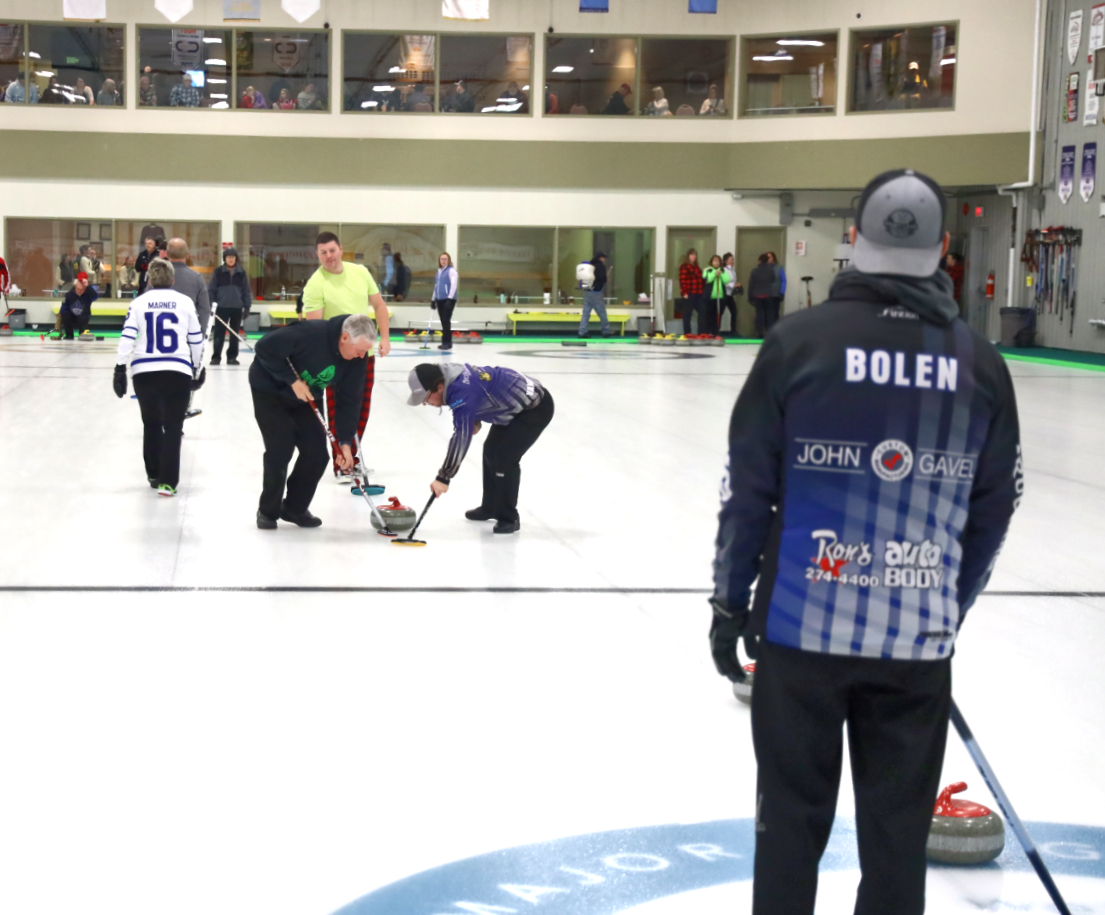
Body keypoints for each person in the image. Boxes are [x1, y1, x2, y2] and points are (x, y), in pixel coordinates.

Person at [708, 168, 1023, 915]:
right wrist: (948, 600)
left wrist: (728, 603)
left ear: (853, 240)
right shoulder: (979, 363)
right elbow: (994, 506)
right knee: (895, 840)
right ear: (945, 249)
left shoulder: (794, 342)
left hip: (798, 635)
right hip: (913, 646)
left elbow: (744, 488)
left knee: (788, 828)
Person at [249, 313, 375, 529]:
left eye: (365, 351)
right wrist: (292, 381)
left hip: (307, 398)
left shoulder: (357, 359)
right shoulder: (309, 333)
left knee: (317, 453)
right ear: (344, 337)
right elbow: (264, 348)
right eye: (359, 350)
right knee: (280, 448)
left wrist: (345, 443)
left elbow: (349, 400)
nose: (362, 355)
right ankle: (268, 510)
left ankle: (294, 508)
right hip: (269, 391)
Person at [406, 361, 554, 535]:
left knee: (504, 458)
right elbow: (482, 390)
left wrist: (443, 477)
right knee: (491, 451)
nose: (425, 403)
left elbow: (461, 436)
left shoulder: (460, 391)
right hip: (512, 405)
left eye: (425, 397)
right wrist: (474, 418)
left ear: (438, 387)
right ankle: (490, 507)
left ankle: (509, 518)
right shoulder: (449, 378)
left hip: (534, 408)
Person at [302, 231, 392, 483]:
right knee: (337, 408)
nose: (329, 256)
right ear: (317, 255)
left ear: (340, 249)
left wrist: (384, 338)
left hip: (364, 353)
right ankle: (341, 464)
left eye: (332, 250)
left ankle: (351, 456)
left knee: (361, 407)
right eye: (323, 253)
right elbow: (314, 329)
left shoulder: (360, 272)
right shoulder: (315, 284)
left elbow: (379, 306)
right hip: (336, 357)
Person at [112, 258, 206, 497]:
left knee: (151, 424)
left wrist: (120, 368)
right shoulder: (185, 302)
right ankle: (168, 482)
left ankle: (153, 474)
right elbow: (196, 339)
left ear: (150, 281)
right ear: (173, 280)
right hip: (177, 371)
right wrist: (195, 368)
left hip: (144, 373)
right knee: (174, 426)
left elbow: (127, 337)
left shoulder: (138, 303)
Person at [167, 237, 212, 418]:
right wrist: (198, 335)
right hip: (185, 338)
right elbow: (204, 309)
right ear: (187, 255)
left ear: (167, 254)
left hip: (159, 338)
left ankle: (164, 414)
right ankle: (179, 415)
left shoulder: (158, 277)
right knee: (183, 376)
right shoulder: (196, 278)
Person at [208, 246, 252, 366]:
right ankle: (216, 357)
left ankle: (232, 357)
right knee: (218, 334)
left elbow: (246, 291)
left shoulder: (241, 273)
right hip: (221, 308)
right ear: (225, 259)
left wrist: (247, 307)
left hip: (236, 308)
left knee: (234, 334)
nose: (231, 259)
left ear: (236, 259)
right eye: (228, 257)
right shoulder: (218, 272)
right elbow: (211, 290)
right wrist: (212, 305)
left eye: (233, 257)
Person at [579, 251, 612, 338]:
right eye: (604, 258)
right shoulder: (600, 266)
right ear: (600, 257)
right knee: (602, 312)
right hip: (596, 292)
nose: (604, 259)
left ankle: (582, 332)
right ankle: (606, 331)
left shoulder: (589, 265)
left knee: (586, 313)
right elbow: (601, 277)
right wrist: (606, 278)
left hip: (587, 291)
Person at [432, 252, 459, 350]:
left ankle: (447, 342)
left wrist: (449, 298)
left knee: (446, 320)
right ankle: (445, 342)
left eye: (445, 259)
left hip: (448, 299)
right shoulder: (438, 272)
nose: (443, 261)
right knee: (443, 321)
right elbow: (436, 287)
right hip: (440, 299)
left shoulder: (451, 271)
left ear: (449, 260)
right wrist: (433, 299)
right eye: (442, 259)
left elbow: (453, 285)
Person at [59, 271, 98, 339]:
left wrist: (88, 286)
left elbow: (95, 297)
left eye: (81, 290)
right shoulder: (70, 293)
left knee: (83, 318)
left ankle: (82, 334)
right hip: (72, 315)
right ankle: (69, 335)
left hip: (83, 315)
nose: (79, 291)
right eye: (78, 289)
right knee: (65, 314)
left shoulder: (88, 293)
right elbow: (64, 305)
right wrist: (59, 316)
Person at [747, 253, 776, 338]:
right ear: (767, 261)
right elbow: (773, 280)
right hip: (768, 294)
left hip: (757, 295)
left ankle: (760, 333)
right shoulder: (771, 270)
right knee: (769, 314)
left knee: (760, 314)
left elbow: (751, 284)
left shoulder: (754, 271)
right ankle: (769, 333)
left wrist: (750, 296)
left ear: (759, 261)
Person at [678, 248, 705, 335]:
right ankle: (687, 333)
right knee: (687, 314)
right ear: (688, 256)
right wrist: (684, 292)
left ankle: (701, 332)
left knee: (702, 311)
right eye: (692, 255)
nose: (693, 257)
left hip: (698, 292)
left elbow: (701, 279)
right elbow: (682, 280)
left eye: (695, 255)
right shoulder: (684, 266)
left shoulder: (697, 267)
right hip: (689, 293)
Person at [703, 254, 729, 336]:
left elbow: (727, 280)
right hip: (710, 297)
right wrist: (714, 274)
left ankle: (716, 332)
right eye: (714, 261)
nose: (716, 263)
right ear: (711, 262)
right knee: (709, 315)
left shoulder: (723, 271)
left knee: (718, 315)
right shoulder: (707, 270)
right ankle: (708, 332)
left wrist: (720, 274)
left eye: (718, 261)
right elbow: (707, 280)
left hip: (720, 297)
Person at [719, 252, 743, 336]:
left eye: (733, 259)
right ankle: (716, 330)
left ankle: (733, 330)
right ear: (726, 261)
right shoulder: (723, 270)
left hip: (730, 295)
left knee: (734, 312)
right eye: (731, 259)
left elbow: (733, 281)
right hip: (724, 295)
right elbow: (725, 282)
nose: (733, 261)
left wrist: (737, 285)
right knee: (720, 312)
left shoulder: (733, 271)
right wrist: (733, 285)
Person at [767, 250, 786, 327]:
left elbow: (784, 281)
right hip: (766, 294)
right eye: (767, 257)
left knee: (775, 314)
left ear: (774, 258)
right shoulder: (764, 268)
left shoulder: (779, 268)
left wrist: (782, 292)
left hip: (776, 295)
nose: (769, 259)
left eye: (770, 257)